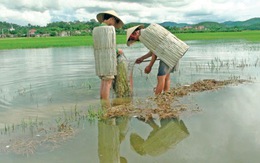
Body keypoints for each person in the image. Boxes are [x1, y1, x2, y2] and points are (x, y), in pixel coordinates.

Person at [126, 24, 187, 95]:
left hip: (167, 53)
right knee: (166, 76)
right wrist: (142, 58)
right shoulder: (147, 32)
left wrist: (150, 66)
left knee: (160, 77)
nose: (135, 40)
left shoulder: (144, 35)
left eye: (132, 38)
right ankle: (166, 95)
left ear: (135, 33)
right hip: (175, 51)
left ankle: (157, 99)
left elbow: (155, 52)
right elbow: (153, 50)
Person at [92, 10, 124, 108]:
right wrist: (118, 51)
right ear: (111, 19)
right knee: (108, 82)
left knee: (104, 82)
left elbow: (103, 45)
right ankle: (107, 107)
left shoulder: (96, 29)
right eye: (115, 22)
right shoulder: (109, 29)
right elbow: (110, 47)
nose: (114, 25)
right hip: (108, 61)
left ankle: (103, 105)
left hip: (100, 61)